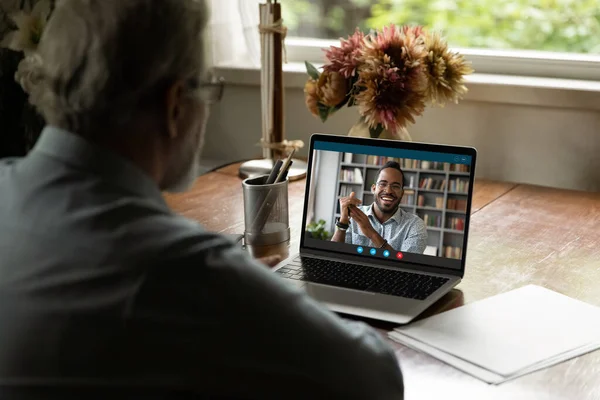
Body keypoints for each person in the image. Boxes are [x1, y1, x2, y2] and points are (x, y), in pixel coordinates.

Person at [0, 0, 404, 399]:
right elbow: (376, 380)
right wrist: (256, 293)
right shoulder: (181, 268)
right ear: (175, 105)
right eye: (208, 89)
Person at [332, 161, 428, 254]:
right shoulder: (354, 215)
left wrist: (371, 233)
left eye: (395, 186)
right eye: (382, 184)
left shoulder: (415, 225)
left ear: (402, 193)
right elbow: (334, 256)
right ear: (374, 189)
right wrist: (343, 222)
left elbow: (405, 267)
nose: (388, 191)